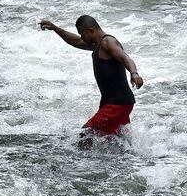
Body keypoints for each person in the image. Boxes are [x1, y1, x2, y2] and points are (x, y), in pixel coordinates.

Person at [39, 15, 143, 147]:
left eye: (82, 33)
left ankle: (83, 161)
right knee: (114, 138)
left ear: (91, 30)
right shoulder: (96, 44)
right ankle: (131, 156)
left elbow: (124, 57)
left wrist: (134, 73)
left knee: (87, 134)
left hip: (117, 103)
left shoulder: (108, 42)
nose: (82, 37)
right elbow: (75, 41)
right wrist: (55, 28)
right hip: (116, 102)